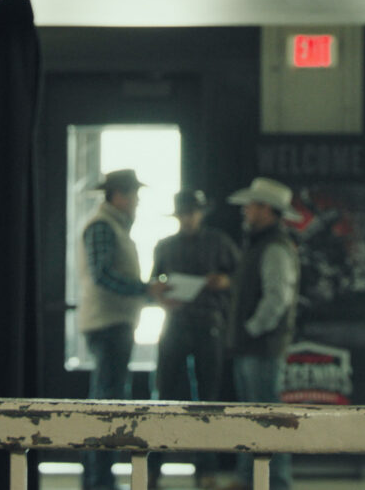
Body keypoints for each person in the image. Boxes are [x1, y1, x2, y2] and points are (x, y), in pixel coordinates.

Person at [151, 188, 240, 485]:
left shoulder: (219, 242)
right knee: (164, 395)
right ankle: (153, 469)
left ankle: (206, 470)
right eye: (184, 214)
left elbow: (241, 277)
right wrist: (159, 293)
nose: (188, 218)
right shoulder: (165, 246)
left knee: (208, 400)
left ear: (201, 213)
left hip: (208, 323)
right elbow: (154, 283)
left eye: (192, 213)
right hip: (176, 322)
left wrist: (225, 282)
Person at [225, 177, 300, 490]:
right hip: (254, 346)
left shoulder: (273, 247)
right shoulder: (264, 244)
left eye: (251, 205)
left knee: (267, 417)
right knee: (255, 415)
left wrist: (251, 329)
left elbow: (276, 299)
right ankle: (250, 479)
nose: (246, 210)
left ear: (266, 209)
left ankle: (275, 482)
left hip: (261, 347)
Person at [79, 168, 150, 490]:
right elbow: (103, 275)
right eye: (134, 195)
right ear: (119, 195)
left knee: (107, 401)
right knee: (107, 405)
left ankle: (99, 479)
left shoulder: (113, 226)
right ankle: (99, 482)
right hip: (108, 325)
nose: (137, 202)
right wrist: (145, 290)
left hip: (113, 324)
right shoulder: (104, 226)